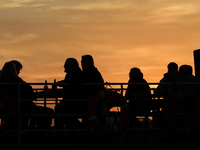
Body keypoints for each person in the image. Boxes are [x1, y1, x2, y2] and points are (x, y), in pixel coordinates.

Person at [0, 61, 53, 139]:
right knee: (49, 112)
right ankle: (39, 136)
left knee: (35, 112)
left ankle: (32, 133)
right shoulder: (18, 82)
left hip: (6, 110)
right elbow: (30, 92)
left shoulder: (2, 83)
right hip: (23, 108)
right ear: (15, 71)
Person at [54, 58, 85, 140]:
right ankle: (72, 133)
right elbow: (67, 82)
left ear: (71, 66)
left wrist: (59, 84)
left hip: (75, 104)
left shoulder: (76, 75)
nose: (64, 67)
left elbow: (70, 83)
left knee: (59, 110)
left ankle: (60, 135)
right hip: (72, 103)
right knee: (61, 110)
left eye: (66, 65)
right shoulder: (74, 74)